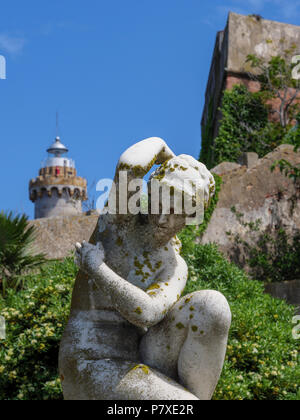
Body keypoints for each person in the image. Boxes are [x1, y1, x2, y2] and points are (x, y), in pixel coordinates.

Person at [59, 137, 231, 400]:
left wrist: (97, 268)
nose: (162, 218)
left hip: (142, 356)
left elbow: (147, 313)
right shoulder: (120, 222)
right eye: (160, 202)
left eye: (175, 212)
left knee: (213, 305)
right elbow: (130, 164)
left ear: (190, 217)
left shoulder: (174, 266)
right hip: (90, 361)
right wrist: (164, 151)